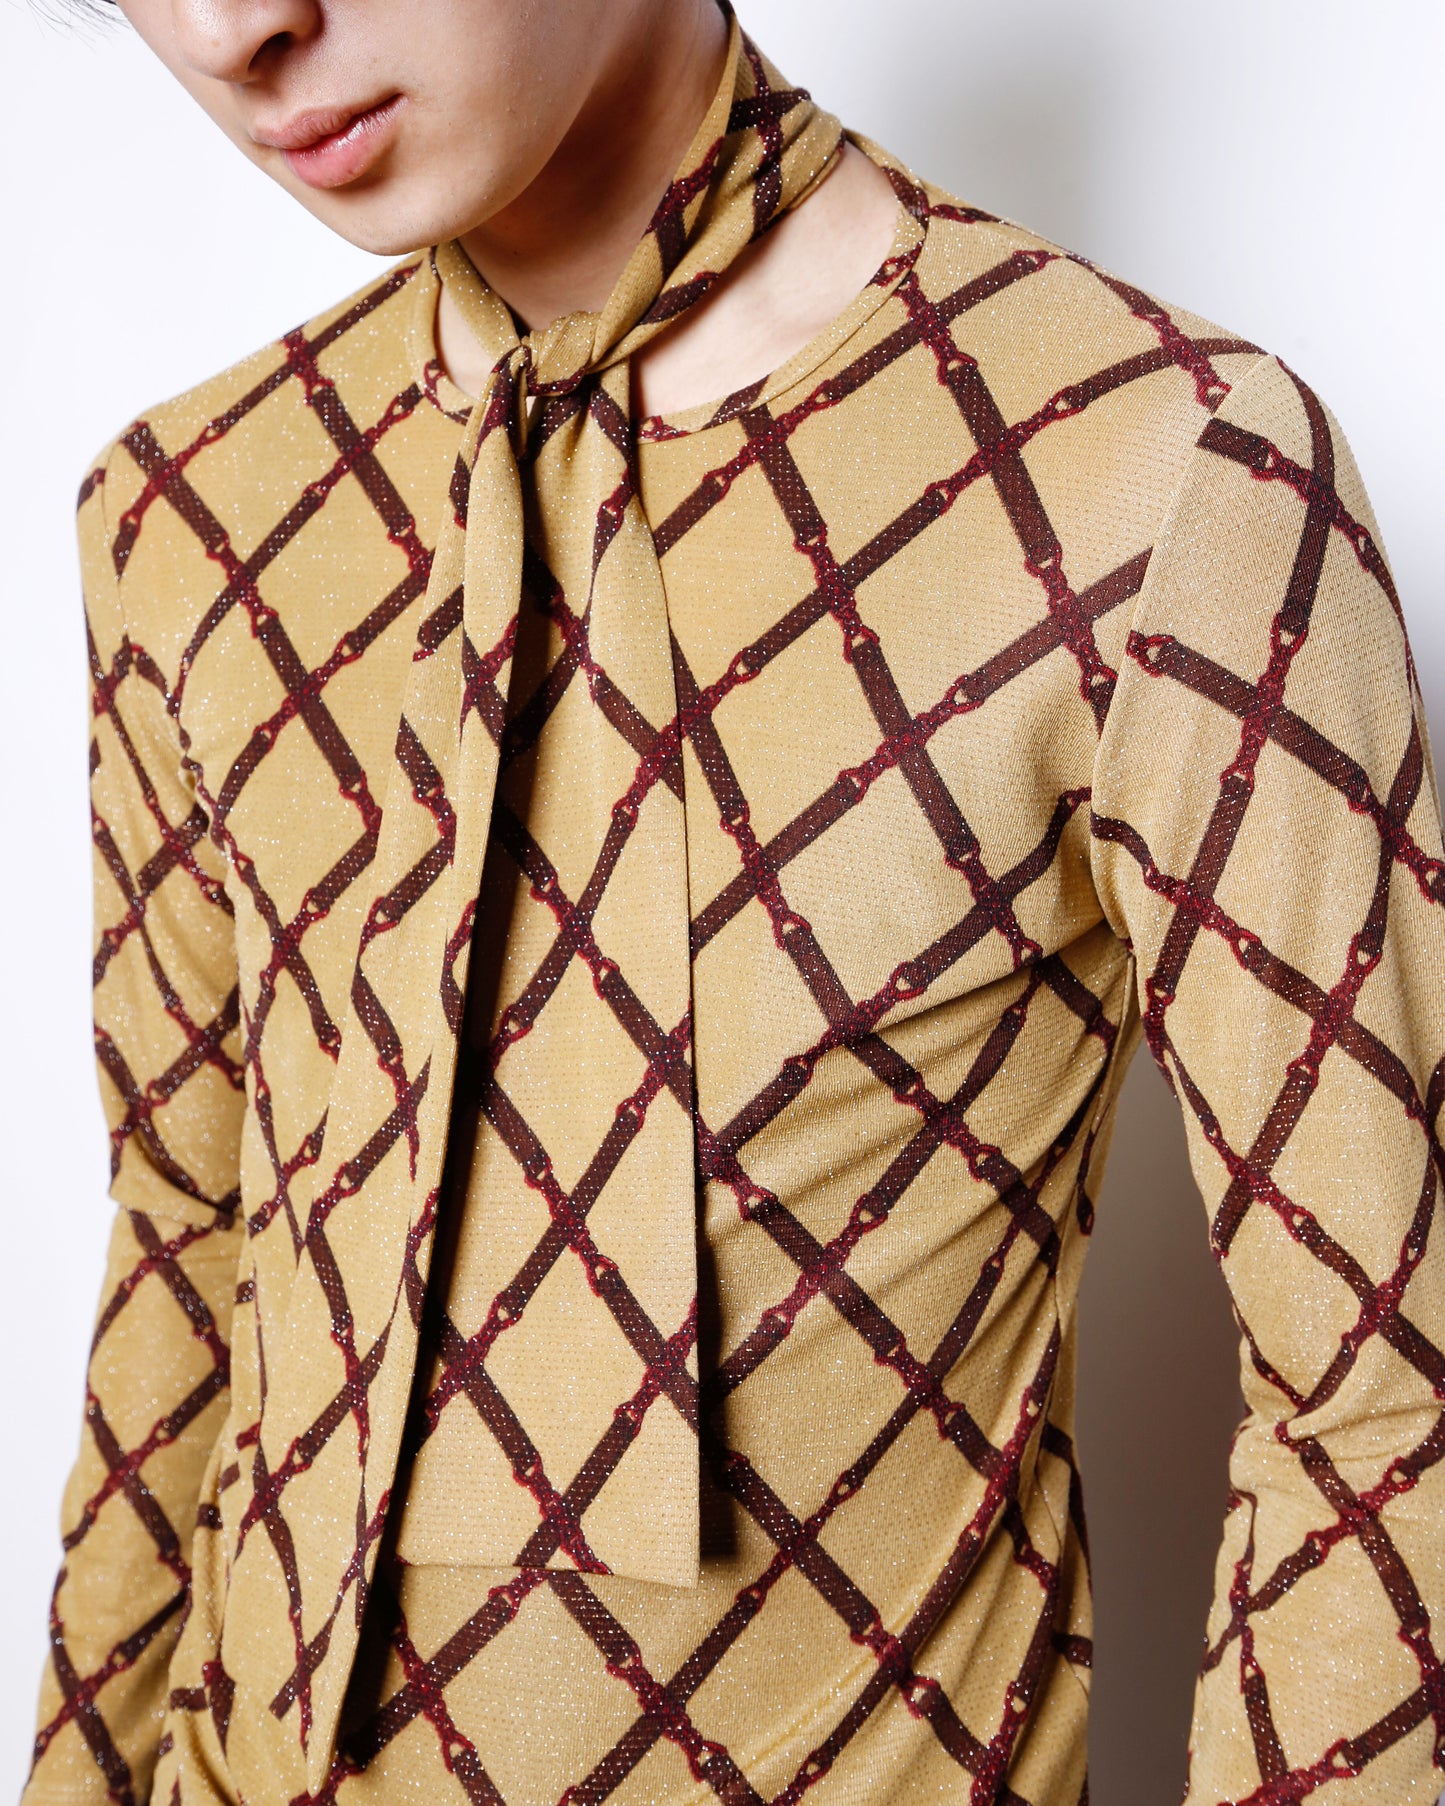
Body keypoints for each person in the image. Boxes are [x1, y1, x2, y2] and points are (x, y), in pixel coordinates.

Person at [21, 0, 1445, 1802]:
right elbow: (189, 1252)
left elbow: (1387, 1397)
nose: (238, 27)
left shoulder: (1158, 470)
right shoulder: (185, 521)